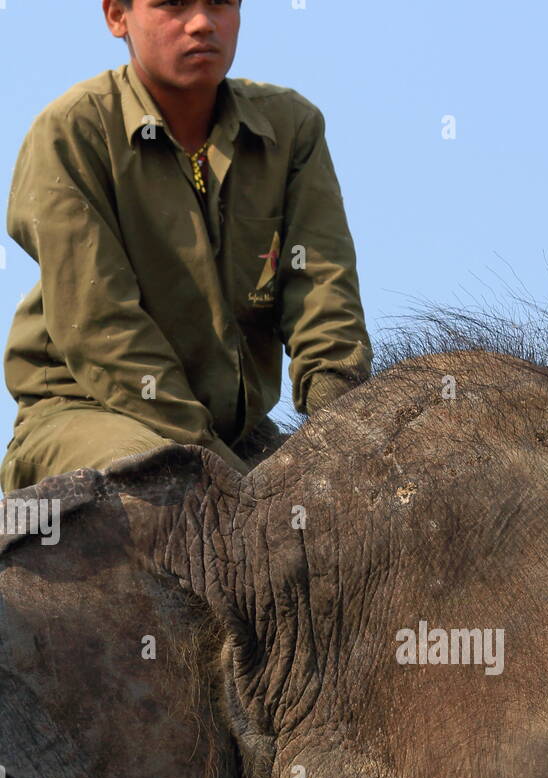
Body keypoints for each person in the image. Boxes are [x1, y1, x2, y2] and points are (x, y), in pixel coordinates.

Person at [0, 0, 372, 492]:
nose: (201, 23)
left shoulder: (291, 127)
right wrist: (223, 473)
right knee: (171, 489)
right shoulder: (73, 131)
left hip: (237, 434)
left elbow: (323, 294)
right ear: (117, 16)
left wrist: (347, 441)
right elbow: (101, 325)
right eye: (172, 4)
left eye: (220, 3)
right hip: (86, 411)